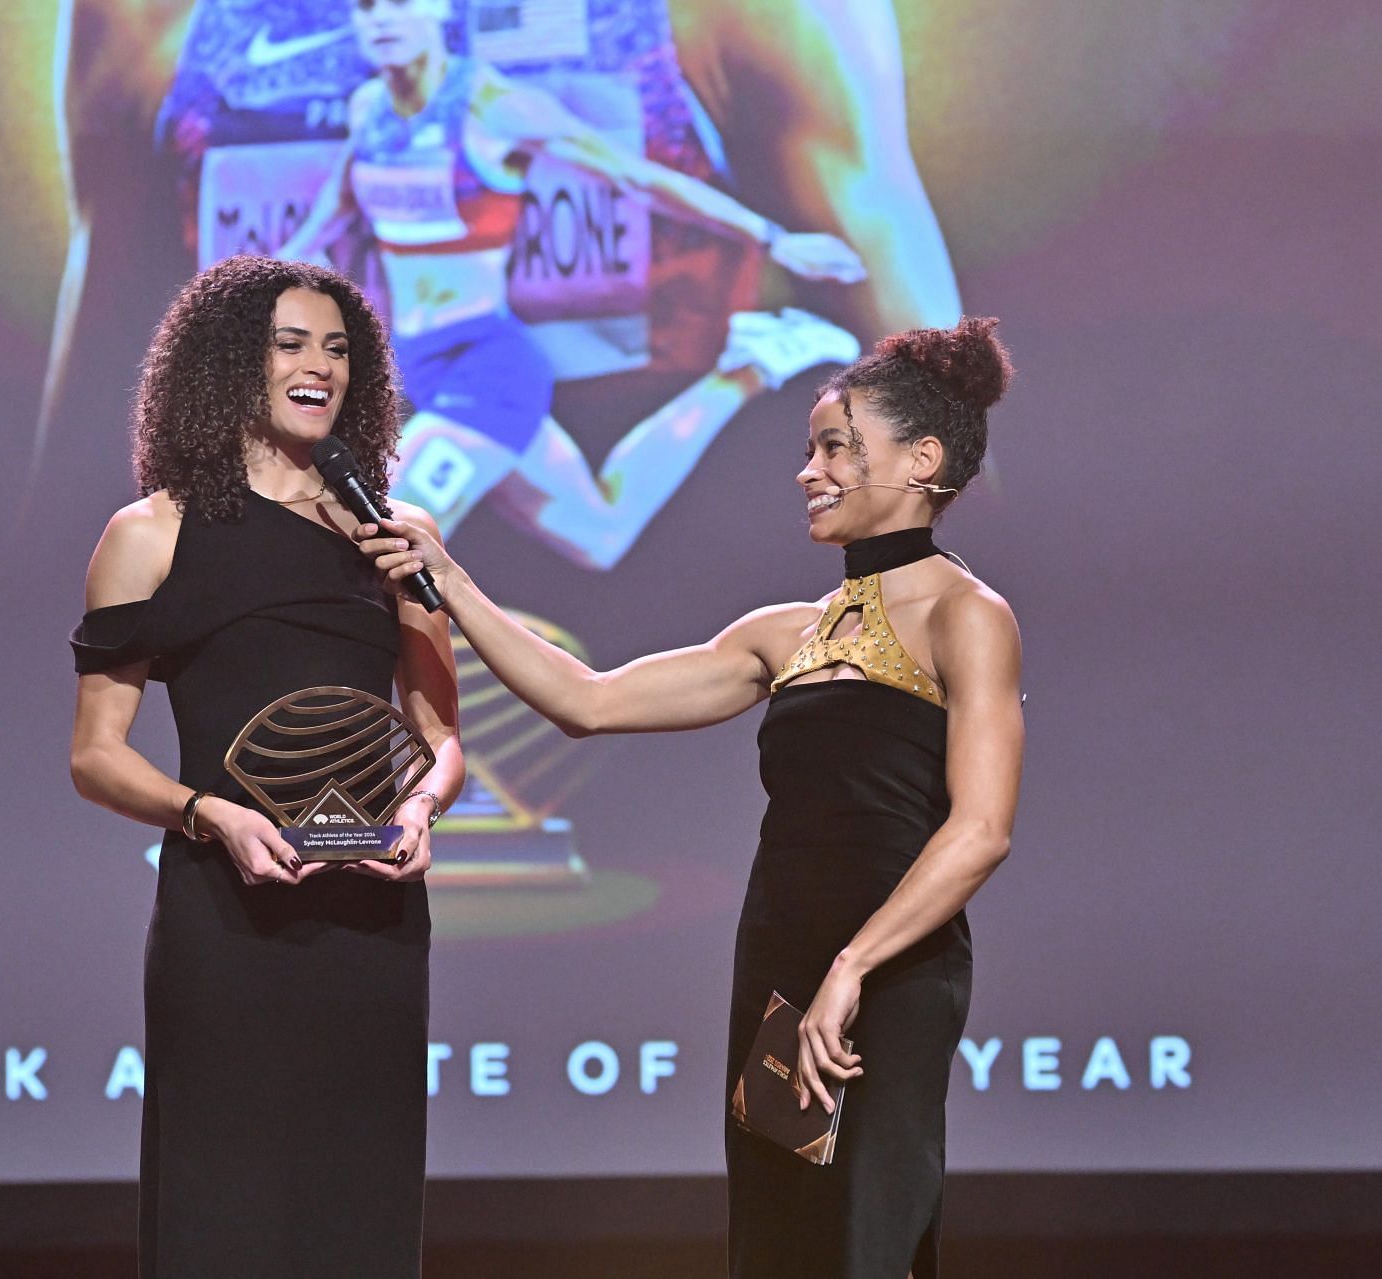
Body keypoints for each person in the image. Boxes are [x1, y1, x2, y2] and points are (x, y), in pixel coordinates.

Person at [354, 317, 1023, 1277]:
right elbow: (587, 700)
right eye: (809, 449)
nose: (809, 470)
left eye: (837, 447)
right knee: (778, 1237)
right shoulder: (781, 633)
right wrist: (447, 578)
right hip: (781, 966)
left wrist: (854, 966)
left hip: (887, 973)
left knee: (863, 1237)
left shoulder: (971, 617)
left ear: (922, 460)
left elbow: (981, 829)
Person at [68, 255, 463, 1278]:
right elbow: (96, 756)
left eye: (337, 348)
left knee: (358, 1211)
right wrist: (213, 816)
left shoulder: (392, 536)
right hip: (227, 916)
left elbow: (440, 733)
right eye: (290, 344)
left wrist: (421, 810)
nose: (318, 366)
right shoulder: (150, 533)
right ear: (230, 366)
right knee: (225, 1211)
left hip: (371, 915)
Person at [278, 0, 868, 569]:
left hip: (485, 367)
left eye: (398, 2)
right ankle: (748, 367)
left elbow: (635, 177)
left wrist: (771, 237)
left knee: (385, 534)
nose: (380, 18)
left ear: (439, 8)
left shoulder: (493, 106)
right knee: (598, 531)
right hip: (416, 362)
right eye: (365, 5)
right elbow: (327, 219)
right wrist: (247, 295)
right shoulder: (369, 109)